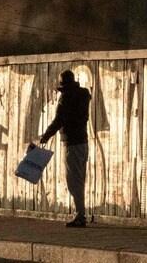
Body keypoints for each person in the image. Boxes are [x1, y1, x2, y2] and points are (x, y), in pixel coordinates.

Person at [39, 68, 91, 227]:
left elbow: (58, 120)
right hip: (83, 141)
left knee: (73, 181)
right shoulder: (83, 95)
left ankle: (80, 216)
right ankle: (81, 213)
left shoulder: (66, 98)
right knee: (80, 179)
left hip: (71, 143)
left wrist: (46, 136)